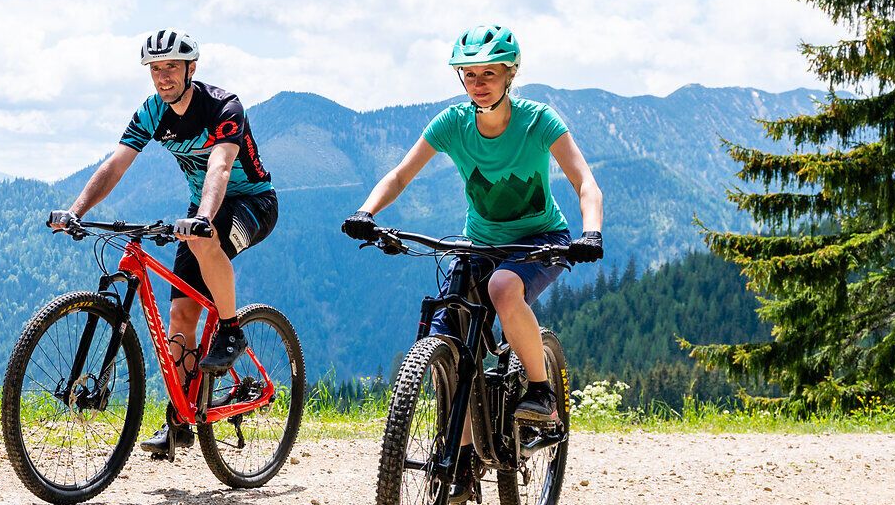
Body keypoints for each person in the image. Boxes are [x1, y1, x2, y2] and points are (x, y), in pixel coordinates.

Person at [341, 23, 603, 436]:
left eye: (488, 74)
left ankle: (541, 392)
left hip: (540, 240)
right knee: (447, 334)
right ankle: (459, 455)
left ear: (509, 75)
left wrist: (591, 233)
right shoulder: (452, 123)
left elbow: (585, 182)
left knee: (502, 289)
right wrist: (366, 212)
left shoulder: (538, 121)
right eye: (469, 74)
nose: (477, 83)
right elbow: (399, 176)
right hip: (479, 242)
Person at [50, 28, 278, 457]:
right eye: (155, 69)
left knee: (204, 244)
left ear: (191, 68)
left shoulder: (223, 106)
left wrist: (203, 220)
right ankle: (181, 417)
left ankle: (230, 331)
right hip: (200, 213)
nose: (162, 76)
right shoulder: (153, 111)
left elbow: (221, 166)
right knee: (180, 314)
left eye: (171, 66)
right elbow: (116, 164)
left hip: (252, 203)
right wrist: (76, 209)